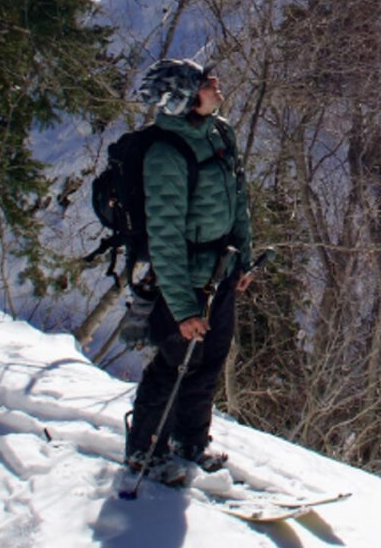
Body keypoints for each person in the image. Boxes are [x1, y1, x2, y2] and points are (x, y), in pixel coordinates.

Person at [125, 58, 254, 478]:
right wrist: (182, 309)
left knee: (209, 362)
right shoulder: (166, 154)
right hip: (184, 280)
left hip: (222, 271)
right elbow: (164, 236)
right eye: (204, 82)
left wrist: (244, 259)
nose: (215, 83)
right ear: (183, 99)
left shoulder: (220, 133)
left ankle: (190, 442)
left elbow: (238, 200)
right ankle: (145, 450)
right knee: (174, 364)